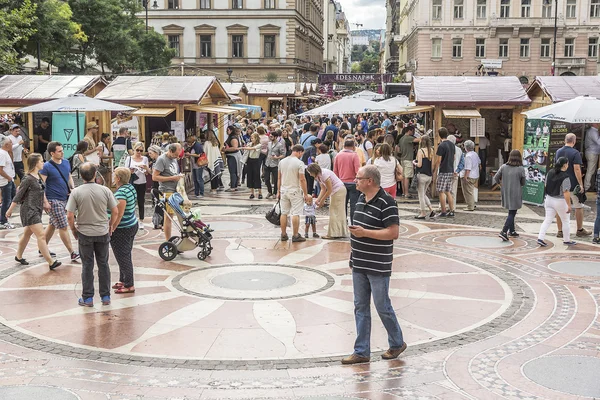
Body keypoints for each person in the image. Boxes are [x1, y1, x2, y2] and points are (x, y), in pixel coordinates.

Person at [342, 165, 406, 365]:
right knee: (360, 306)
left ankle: (397, 342)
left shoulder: (387, 202)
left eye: (359, 178)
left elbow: (393, 233)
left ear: (370, 181)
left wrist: (365, 233)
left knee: (382, 306)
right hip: (360, 262)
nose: (355, 181)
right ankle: (361, 350)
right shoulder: (360, 199)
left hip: (378, 264)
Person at [67, 163, 118, 307]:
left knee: (87, 265)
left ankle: (88, 298)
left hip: (84, 232)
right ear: (95, 174)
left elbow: (70, 215)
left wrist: (73, 230)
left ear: (81, 176)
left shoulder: (76, 192)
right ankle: (105, 296)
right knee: (103, 264)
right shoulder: (105, 190)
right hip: (102, 231)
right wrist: (111, 226)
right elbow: (115, 211)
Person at [6, 153, 61, 269]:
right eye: (41, 161)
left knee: (27, 234)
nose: (43, 163)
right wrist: (10, 210)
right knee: (41, 235)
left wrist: (45, 203)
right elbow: (18, 196)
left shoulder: (38, 176)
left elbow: (42, 190)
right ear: (36, 163)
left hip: (37, 209)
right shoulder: (28, 179)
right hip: (29, 210)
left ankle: (18, 256)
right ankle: (51, 262)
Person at [40, 141, 80, 261]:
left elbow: (68, 176)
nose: (62, 152)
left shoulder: (66, 162)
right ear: (52, 153)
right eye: (59, 151)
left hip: (65, 198)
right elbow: (41, 185)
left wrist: (72, 188)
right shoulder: (46, 166)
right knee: (63, 226)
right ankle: (72, 252)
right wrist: (45, 202)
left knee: (52, 224)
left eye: (62, 150)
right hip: (53, 200)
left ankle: (42, 247)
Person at [555, 133, 591, 237]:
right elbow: (577, 169)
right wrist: (581, 184)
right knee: (578, 206)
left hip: (560, 184)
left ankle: (560, 231)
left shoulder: (558, 152)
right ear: (574, 141)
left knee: (560, 207)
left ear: (564, 140)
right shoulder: (575, 153)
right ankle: (579, 229)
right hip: (573, 184)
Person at [109, 167, 138, 294]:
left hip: (122, 228)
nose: (113, 177)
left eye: (114, 175)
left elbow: (119, 214)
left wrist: (112, 227)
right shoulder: (130, 188)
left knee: (123, 256)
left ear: (118, 178)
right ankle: (123, 279)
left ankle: (129, 284)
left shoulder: (121, 193)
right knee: (125, 254)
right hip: (132, 224)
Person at [537, 157, 576, 246]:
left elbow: (546, 184)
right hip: (560, 201)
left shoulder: (550, 172)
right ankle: (566, 240)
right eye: (568, 163)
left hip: (549, 199)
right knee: (565, 221)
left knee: (547, 220)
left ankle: (540, 238)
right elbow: (566, 192)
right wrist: (569, 205)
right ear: (565, 165)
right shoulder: (565, 177)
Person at [277, 144, 311, 243]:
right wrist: (305, 193)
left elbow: (279, 177)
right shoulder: (299, 163)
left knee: (284, 213)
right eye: (301, 154)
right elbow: (302, 179)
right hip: (295, 190)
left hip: (283, 190)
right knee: (295, 213)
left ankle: (283, 234)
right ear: (299, 152)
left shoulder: (282, 162)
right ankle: (295, 235)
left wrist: (278, 191)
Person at [307, 162, 348, 238]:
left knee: (334, 211)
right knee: (338, 212)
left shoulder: (324, 174)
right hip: (337, 191)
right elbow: (323, 189)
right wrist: (318, 200)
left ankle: (333, 234)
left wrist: (322, 201)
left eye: (310, 172)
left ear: (313, 171)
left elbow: (329, 190)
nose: (309, 174)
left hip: (338, 191)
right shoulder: (319, 176)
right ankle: (340, 232)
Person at [152, 143, 183, 241]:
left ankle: (179, 238)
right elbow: (154, 177)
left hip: (176, 190)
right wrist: (172, 178)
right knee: (169, 217)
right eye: (175, 155)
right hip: (167, 190)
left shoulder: (174, 158)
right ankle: (167, 240)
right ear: (170, 151)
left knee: (178, 215)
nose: (177, 157)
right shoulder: (161, 159)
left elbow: (173, 171)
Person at [494, 150, 526, 241]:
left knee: (510, 211)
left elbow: (496, 177)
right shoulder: (520, 168)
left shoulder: (503, 167)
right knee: (512, 212)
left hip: (506, 191)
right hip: (516, 192)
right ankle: (504, 231)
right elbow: (523, 182)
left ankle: (512, 231)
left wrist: (501, 185)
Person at [334, 138, 361, 224]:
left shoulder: (338, 155)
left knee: (342, 205)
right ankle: (354, 223)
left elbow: (335, 171)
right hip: (353, 183)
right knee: (354, 205)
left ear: (344, 146)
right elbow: (358, 170)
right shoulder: (354, 155)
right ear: (353, 146)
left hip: (341, 183)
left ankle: (342, 223)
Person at [126, 142, 150, 229]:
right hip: (132, 182)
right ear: (134, 149)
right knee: (131, 201)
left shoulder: (145, 159)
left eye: (141, 150)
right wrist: (130, 171)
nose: (139, 152)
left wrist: (145, 168)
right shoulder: (129, 159)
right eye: (137, 150)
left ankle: (141, 220)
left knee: (141, 201)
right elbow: (125, 171)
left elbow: (148, 173)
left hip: (142, 182)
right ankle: (131, 219)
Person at [434, 128, 455, 217]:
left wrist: (435, 171)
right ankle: (452, 210)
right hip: (450, 169)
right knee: (448, 191)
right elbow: (453, 157)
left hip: (443, 170)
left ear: (439, 135)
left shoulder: (441, 146)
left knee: (441, 191)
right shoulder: (452, 145)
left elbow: (439, 160)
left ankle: (443, 211)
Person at [414, 135, 434, 219]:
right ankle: (431, 209)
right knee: (423, 194)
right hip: (429, 175)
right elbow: (432, 165)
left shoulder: (420, 151)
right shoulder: (431, 150)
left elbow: (419, 164)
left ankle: (423, 212)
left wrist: (414, 163)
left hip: (421, 175)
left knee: (421, 195)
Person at [0, 137, 17, 229]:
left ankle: (4, 217)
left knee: (11, 199)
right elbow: (0, 170)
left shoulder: (6, 153)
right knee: (7, 201)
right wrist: (8, 178)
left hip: (10, 180)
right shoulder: (2, 154)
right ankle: (3, 221)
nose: (12, 144)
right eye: (11, 143)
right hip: (6, 181)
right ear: (6, 145)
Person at [265, 129, 286, 199]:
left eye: (271, 137)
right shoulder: (269, 143)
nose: (270, 138)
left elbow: (283, 154)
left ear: (275, 137)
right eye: (270, 136)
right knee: (267, 179)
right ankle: (269, 191)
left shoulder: (280, 145)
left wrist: (277, 157)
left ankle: (275, 192)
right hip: (268, 163)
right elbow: (267, 152)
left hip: (275, 164)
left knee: (276, 179)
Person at [242, 132, 263, 199]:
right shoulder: (250, 144)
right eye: (251, 138)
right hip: (250, 161)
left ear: (256, 138)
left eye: (252, 138)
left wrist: (242, 147)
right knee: (250, 176)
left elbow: (252, 148)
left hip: (256, 161)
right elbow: (248, 147)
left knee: (256, 176)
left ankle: (260, 193)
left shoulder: (259, 145)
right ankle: (252, 193)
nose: (251, 139)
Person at [461, 140, 481, 212]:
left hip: (470, 175)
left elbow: (468, 168)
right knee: (471, 191)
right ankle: (472, 204)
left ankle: (470, 206)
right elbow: (479, 162)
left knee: (468, 192)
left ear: (466, 147)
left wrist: (465, 177)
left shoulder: (468, 156)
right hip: (476, 175)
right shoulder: (475, 154)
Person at [147, 145, 164, 230]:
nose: (149, 155)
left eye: (150, 153)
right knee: (157, 202)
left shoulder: (159, 161)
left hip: (159, 184)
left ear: (155, 152)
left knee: (159, 203)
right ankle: (158, 222)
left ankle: (159, 222)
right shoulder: (155, 161)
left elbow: (155, 174)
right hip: (156, 184)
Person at [222, 126, 241, 191]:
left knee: (233, 172)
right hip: (230, 156)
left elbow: (235, 147)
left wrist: (226, 150)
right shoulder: (231, 137)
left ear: (231, 130)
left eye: (228, 130)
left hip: (233, 156)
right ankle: (234, 186)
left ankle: (233, 186)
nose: (227, 131)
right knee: (233, 172)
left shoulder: (233, 138)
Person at [584, 123, 600, 191]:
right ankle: (587, 187)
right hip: (592, 153)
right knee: (590, 170)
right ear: (595, 124)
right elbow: (599, 142)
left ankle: (591, 185)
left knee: (591, 170)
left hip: (591, 152)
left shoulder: (591, 131)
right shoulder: (593, 131)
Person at [593, 169, 600, 244]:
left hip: (599, 197)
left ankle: (596, 236)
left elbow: (596, 185)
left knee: (598, 217)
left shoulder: (598, 170)